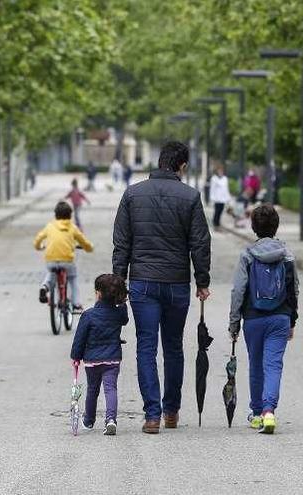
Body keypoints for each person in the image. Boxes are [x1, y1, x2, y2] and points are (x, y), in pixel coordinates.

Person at [112, 140, 211, 434]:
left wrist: (119, 282)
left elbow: (122, 243)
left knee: (146, 347)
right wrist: (202, 280)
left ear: (159, 162)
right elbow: (200, 243)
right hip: (177, 283)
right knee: (174, 348)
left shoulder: (132, 194)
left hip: (142, 283)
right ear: (182, 166)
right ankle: (171, 412)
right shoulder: (190, 196)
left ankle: (152, 415)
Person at [228, 205, 298, 434]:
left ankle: (257, 413)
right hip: (280, 317)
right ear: (276, 226)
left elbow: (239, 290)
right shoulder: (286, 254)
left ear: (254, 227)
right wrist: (292, 320)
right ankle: (269, 411)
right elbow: (293, 289)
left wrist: (234, 322)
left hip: (254, 318)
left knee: (256, 364)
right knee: (274, 364)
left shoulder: (247, 255)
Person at [70, 274, 129, 435]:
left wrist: (76, 356)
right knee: (111, 389)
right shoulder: (118, 314)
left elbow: (80, 338)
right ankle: (111, 420)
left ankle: (89, 420)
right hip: (112, 359)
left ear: (99, 294)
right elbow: (125, 320)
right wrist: (122, 303)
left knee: (92, 390)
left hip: (92, 361)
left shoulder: (88, 315)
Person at [35, 202, 94, 311]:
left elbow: (38, 239)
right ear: (70, 215)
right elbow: (83, 241)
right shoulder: (72, 227)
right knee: (73, 278)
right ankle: (76, 303)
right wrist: (89, 248)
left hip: (51, 259)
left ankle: (45, 287)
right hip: (67, 260)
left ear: (55, 215)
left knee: (51, 273)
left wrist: (39, 247)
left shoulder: (50, 226)